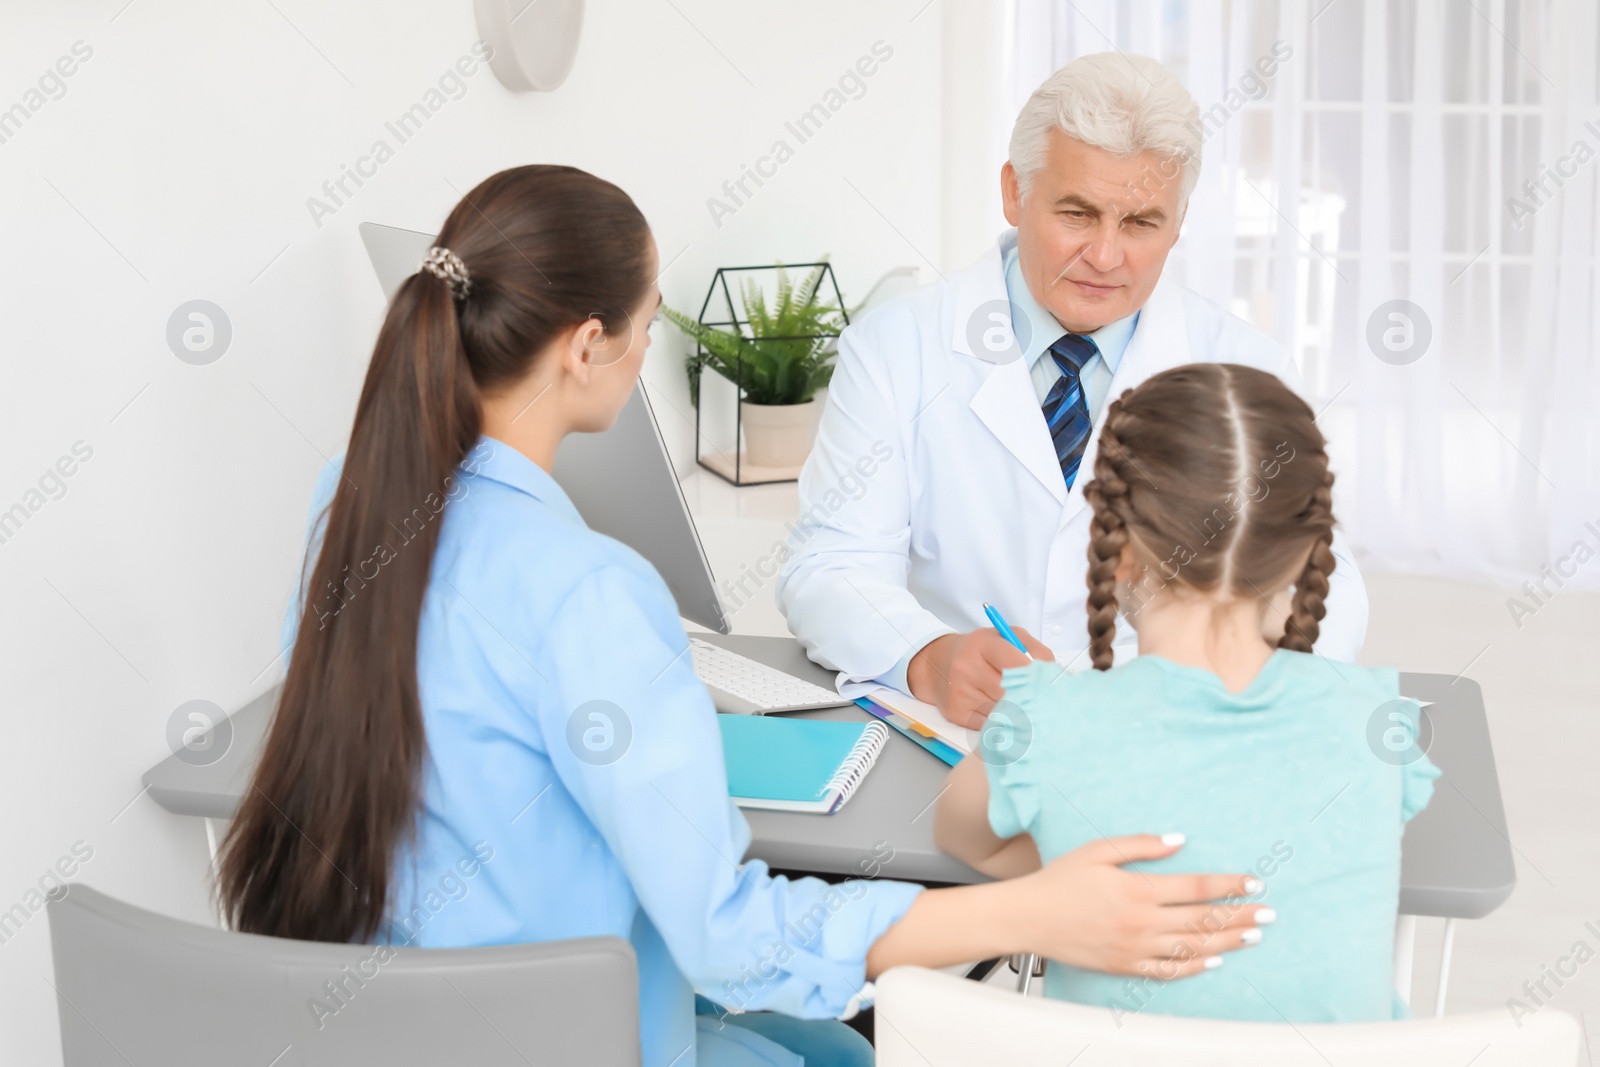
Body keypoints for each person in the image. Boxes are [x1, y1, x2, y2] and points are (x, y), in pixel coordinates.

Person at [215, 166, 1272, 1067]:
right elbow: (729, 941)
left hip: (394, 1025)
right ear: (586, 346)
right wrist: (1034, 912)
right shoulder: (589, 590)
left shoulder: (345, 501)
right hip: (561, 1033)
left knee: (832, 1045)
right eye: (644, 321)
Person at [776, 52, 1369, 729]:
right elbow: (830, 563)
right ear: (1014, 191)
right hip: (963, 731)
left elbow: (1325, 582)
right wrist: (927, 655)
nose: (1106, 256)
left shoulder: (1242, 364)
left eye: (1142, 222)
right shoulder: (893, 347)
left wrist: (1233, 697)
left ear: (1179, 222)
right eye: (1078, 213)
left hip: (1169, 731)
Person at [935, 363, 1440, 1022]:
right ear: (1304, 553)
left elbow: (963, 836)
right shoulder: (1379, 723)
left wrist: (1086, 837)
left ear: (1119, 550)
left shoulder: (1043, 719)